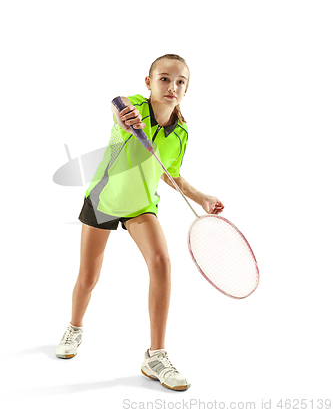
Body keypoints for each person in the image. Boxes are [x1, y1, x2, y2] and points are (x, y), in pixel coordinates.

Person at [55, 53, 224, 391]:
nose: (172, 86)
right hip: (104, 200)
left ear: (187, 89)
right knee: (88, 278)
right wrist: (124, 117)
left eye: (180, 82)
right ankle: (74, 328)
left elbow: (170, 174)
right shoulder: (132, 106)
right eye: (164, 78)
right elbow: (119, 112)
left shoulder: (181, 133)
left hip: (142, 206)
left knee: (161, 263)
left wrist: (202, 197)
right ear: (149, 83)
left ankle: (155, 356)